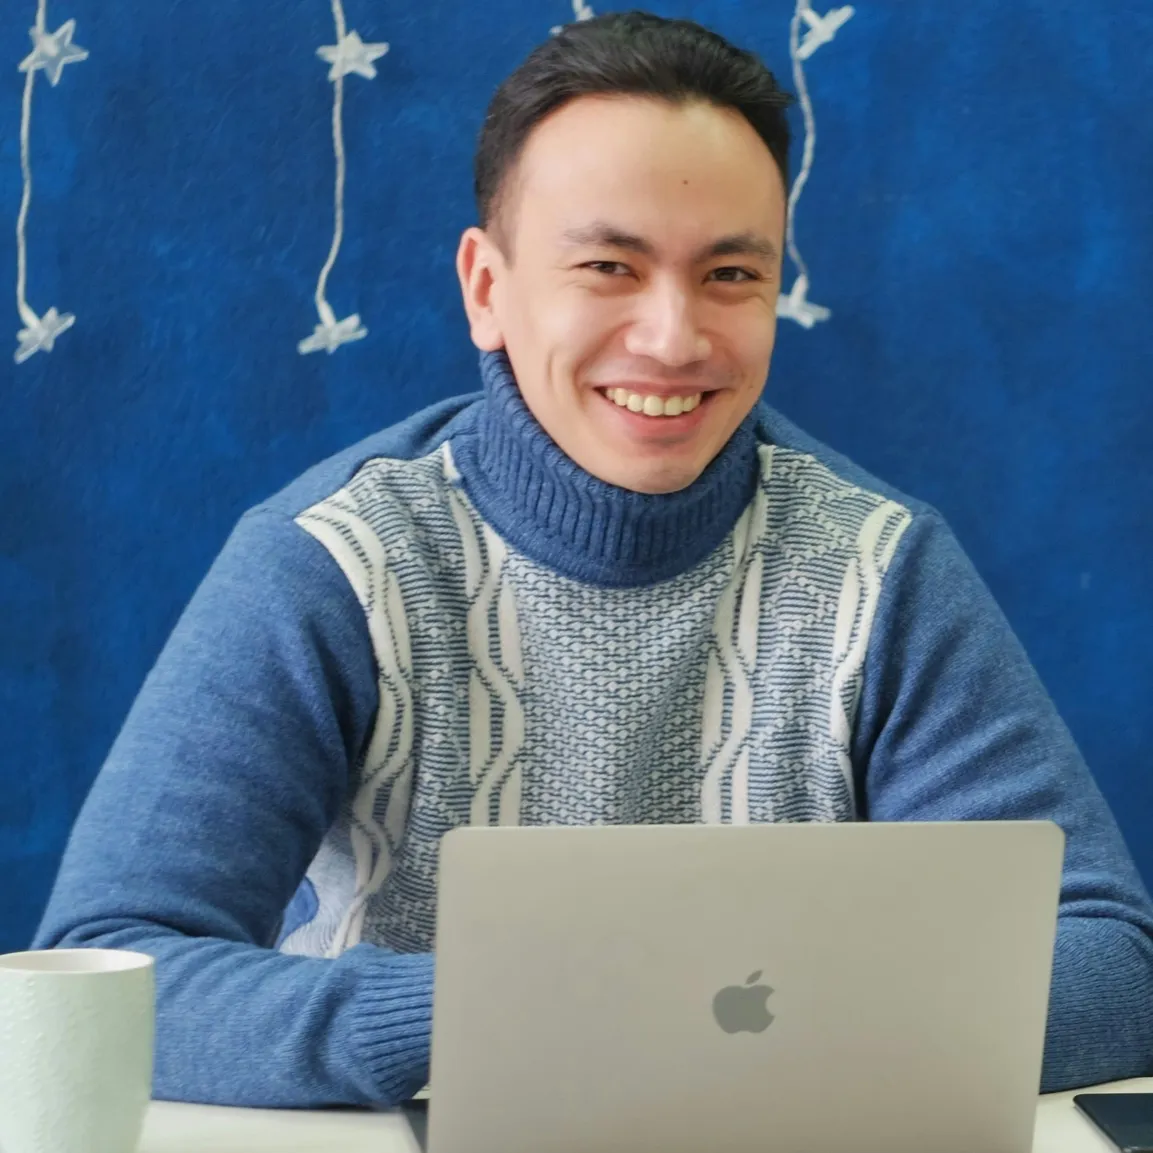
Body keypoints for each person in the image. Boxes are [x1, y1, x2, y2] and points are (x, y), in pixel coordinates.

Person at [34, 10, 1153, 1110]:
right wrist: (494, 1015)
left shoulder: (880, 565)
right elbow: (110, 967)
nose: (673, 337)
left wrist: (671, 1023)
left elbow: (1110, 961)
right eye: (610, 266)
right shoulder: (332, 559)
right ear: (487, 289)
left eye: (728, 276)